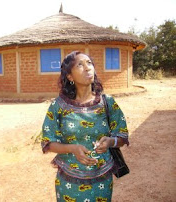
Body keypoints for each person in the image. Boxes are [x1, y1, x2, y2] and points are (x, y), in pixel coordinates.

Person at [41, 51, 129, 202]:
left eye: (89, 63)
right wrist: (72, 148)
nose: (87, 68)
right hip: (69, 183)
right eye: (80, 65)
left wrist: (110, 142)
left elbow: (122, 136)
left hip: (101, 179)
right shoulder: (58, 106)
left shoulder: (107, 102)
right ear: (70, 76)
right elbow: (48, 143)